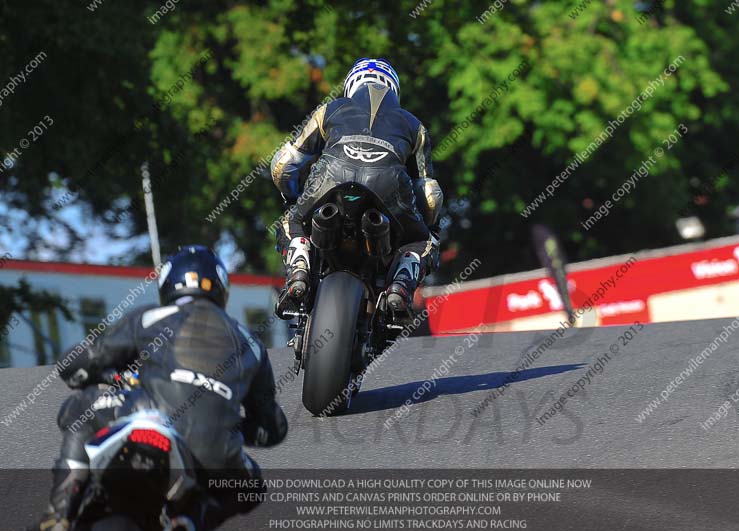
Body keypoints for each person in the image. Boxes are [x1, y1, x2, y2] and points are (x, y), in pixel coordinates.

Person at [32, 245, 288, 531]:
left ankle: (57, 516)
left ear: (168, 283)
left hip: (152, 418)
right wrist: (227, 422)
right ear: (221, 288)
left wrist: (102, 376)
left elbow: (76, 363)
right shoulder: (252, 344)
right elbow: (273, 427)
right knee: (251, 485)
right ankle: (189, 521)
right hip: (217, 456)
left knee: (80, 406)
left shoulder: (152, 317)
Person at [270, 57, 444, 314]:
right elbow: (430, 194)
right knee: (423, 241)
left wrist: (293, 200)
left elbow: (283, 165)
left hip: (329, 177)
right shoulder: (415, 126)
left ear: (352, 84)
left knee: (290, 222)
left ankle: (299, 270)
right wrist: (424, 227)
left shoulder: (329, 109)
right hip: (389, 185)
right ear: (394, 89)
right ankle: (400, 286)